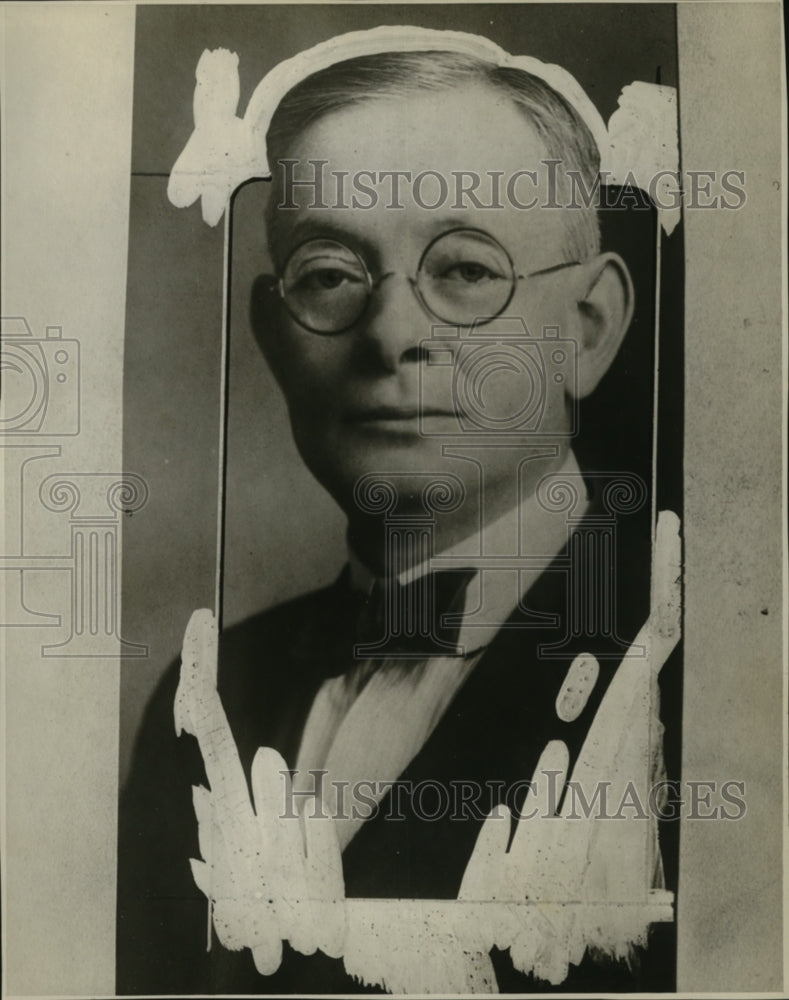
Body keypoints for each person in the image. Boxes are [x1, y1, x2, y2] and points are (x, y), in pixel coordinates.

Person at [118, 25, 681, 995]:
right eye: (331, 274)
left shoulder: (699, 678)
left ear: (588, 328)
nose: (391, 334)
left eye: (464, 269)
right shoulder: (206, 698)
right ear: (273, 333)